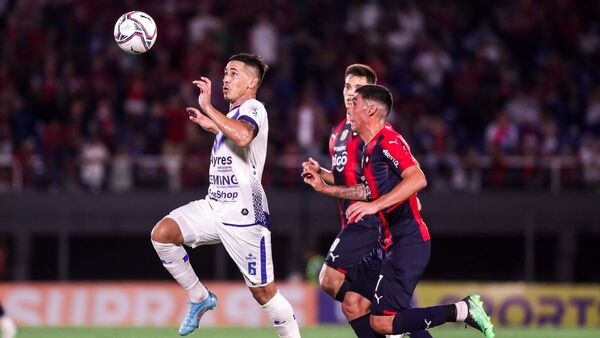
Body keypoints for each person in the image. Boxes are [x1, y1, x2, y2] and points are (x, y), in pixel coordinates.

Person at [303, 85, 494, 338]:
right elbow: (366, 191)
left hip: (408, 241)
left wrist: (375, 206)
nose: (349, 107)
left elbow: (417, 178)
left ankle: (462, 309)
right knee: (353, 304)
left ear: (370, 109)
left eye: (355, 102)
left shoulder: (388, 140)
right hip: (385, 245)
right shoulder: (368, 148)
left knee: (383, 323)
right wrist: (326, 187)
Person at [151, 53, 301, 338]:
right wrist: (210, 125)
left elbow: (244, 137)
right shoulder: (232, 115)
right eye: (225, 73)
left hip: (244, 215)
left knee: (264, 294)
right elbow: (235, 139)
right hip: (214, 205)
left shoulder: (254, 108)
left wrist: (208, 108)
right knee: (163, 233)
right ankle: (199, 297)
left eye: (233, 73)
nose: (225, 79)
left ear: (252, 81)